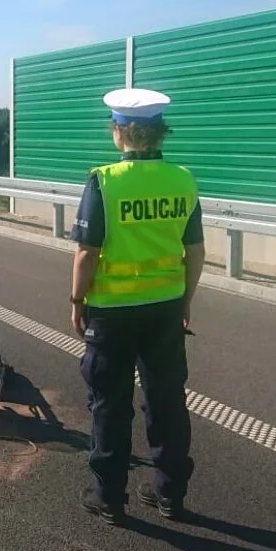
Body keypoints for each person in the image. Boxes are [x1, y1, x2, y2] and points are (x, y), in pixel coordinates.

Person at [68, 87, 206, 524]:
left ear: (120, 133)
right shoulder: (183, 179)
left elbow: (87, 251)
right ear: (158, 133)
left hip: (111, 312)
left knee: (109, 402)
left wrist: (77, 300)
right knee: (166, 400)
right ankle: (170, 494)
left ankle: (109, 496)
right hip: (165, 309)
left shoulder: (104, 181)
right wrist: (185, 299)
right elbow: (196, 250)